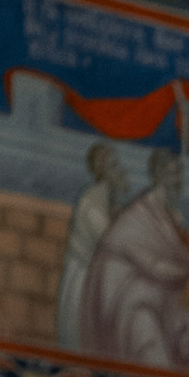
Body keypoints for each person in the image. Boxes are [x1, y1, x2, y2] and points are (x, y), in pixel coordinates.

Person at [76, 146, 189, 369]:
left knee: (182, 330)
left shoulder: (166, 215)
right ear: (157, 177)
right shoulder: (141, 214)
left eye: (179, 173)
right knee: (153, 353)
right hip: (125, 303)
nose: (177, 180)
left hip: (152, 301)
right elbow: (156, 266)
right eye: (172, 173)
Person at [53, 138, 133, 346]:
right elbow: (110, 243)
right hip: (84, 286)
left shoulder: (107, 202)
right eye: (114, 165)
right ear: (103, 171)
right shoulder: (93, 201)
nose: (122, 170)